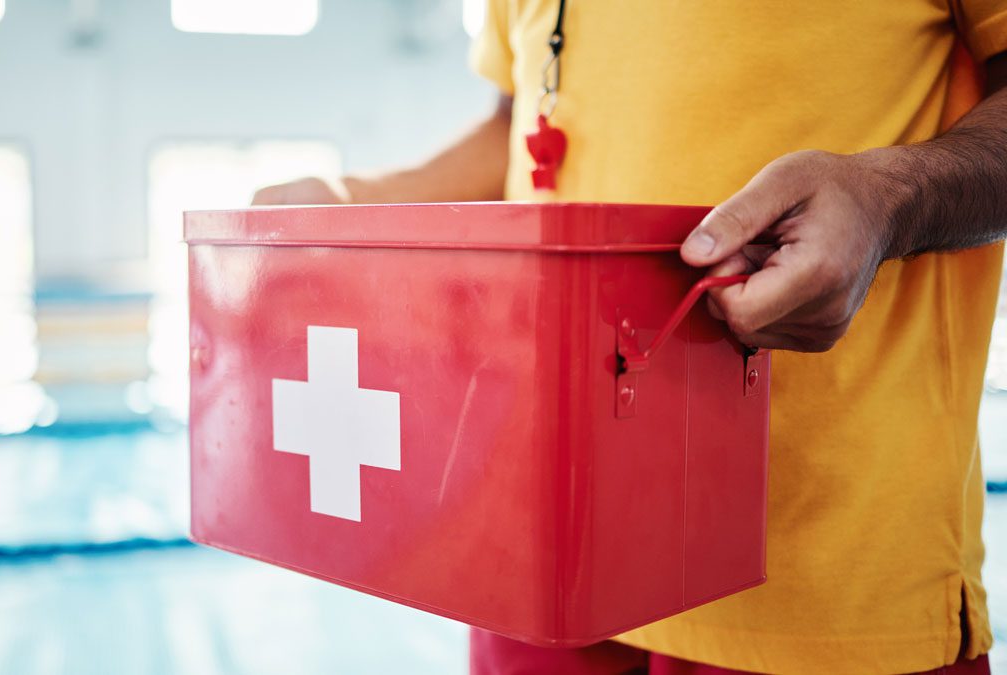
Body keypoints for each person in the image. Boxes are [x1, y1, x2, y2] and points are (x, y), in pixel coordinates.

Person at [254, 2, 1007, 673]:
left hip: (817, 574)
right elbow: (517, 131)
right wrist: (349, 202)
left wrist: (887, 202)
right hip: (539, 550)